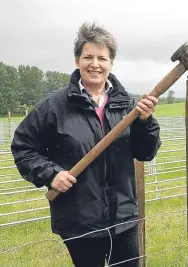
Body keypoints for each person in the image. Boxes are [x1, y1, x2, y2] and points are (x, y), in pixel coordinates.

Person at [11, 22, 161, 267]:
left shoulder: (128, 104)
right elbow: (23, 147)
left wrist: (145, 122)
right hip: (79, 222)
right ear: (76, 61)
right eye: (88, 56)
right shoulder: (55, 106)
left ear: (111, 63)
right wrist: (51, 174)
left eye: (102, 58)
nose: (95, 64)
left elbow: (146, 152)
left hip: (123, 220)